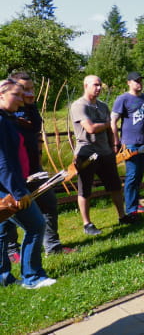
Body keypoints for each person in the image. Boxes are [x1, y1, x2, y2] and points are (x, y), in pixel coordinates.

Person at [5, 72, 74, 262]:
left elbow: (35, 126)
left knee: (49, 203)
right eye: (24, 89)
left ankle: (52, 246)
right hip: (11, 171)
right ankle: (12, 251)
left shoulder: (28, 107)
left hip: (33, 167)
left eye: (31, 89)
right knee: (9, 211)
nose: (28, 93)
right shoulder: (7, 111)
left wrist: (32, 104)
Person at [0, 78, 56, 288]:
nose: (20, 99)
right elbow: (3, 161)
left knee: (3, 231)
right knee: (36, 225)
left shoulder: (8, 118)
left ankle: (3, 277)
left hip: (8, 185)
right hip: (8, 189)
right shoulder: (2, 121)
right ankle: (32, 277)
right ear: (1, 95)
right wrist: (17, 191)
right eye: (16, 94)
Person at [70, 75, 130, 236]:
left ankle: (122, 216)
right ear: (86, 86)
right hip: (87, 153)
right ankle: (87, 224)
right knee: (85, 190)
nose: (98, 88)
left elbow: (111, 129)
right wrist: (108, 124)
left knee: (115, 185)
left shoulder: (103, 106)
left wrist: (114, 144)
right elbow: (90, 128)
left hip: (105, 152)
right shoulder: (79, 106)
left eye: (100, 85)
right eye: (95, 85)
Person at [111, 72, 144, 219]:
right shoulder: (122, 99)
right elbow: (113, 121)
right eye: (136, 81)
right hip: (130, 143)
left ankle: (135, 202)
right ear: (128, 82)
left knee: (139, 176)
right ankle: (130, 209)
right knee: (132, 176)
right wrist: (116, 141)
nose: (139, 83)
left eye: (140, 81)